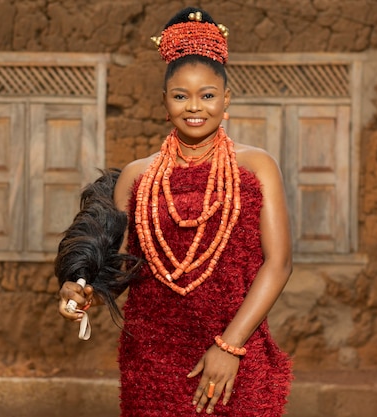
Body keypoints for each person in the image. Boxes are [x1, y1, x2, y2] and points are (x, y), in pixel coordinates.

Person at [57, 6, 292, 417]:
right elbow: (119, 265)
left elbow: (279, 263)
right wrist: (82, 288)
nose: (194, 106)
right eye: (181, 95)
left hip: (236, 350)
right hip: (152, 356)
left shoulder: (256, 167)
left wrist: (229, 346)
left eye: (207, 95)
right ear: (165, 103)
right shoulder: (137, 176)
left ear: (226, 100)